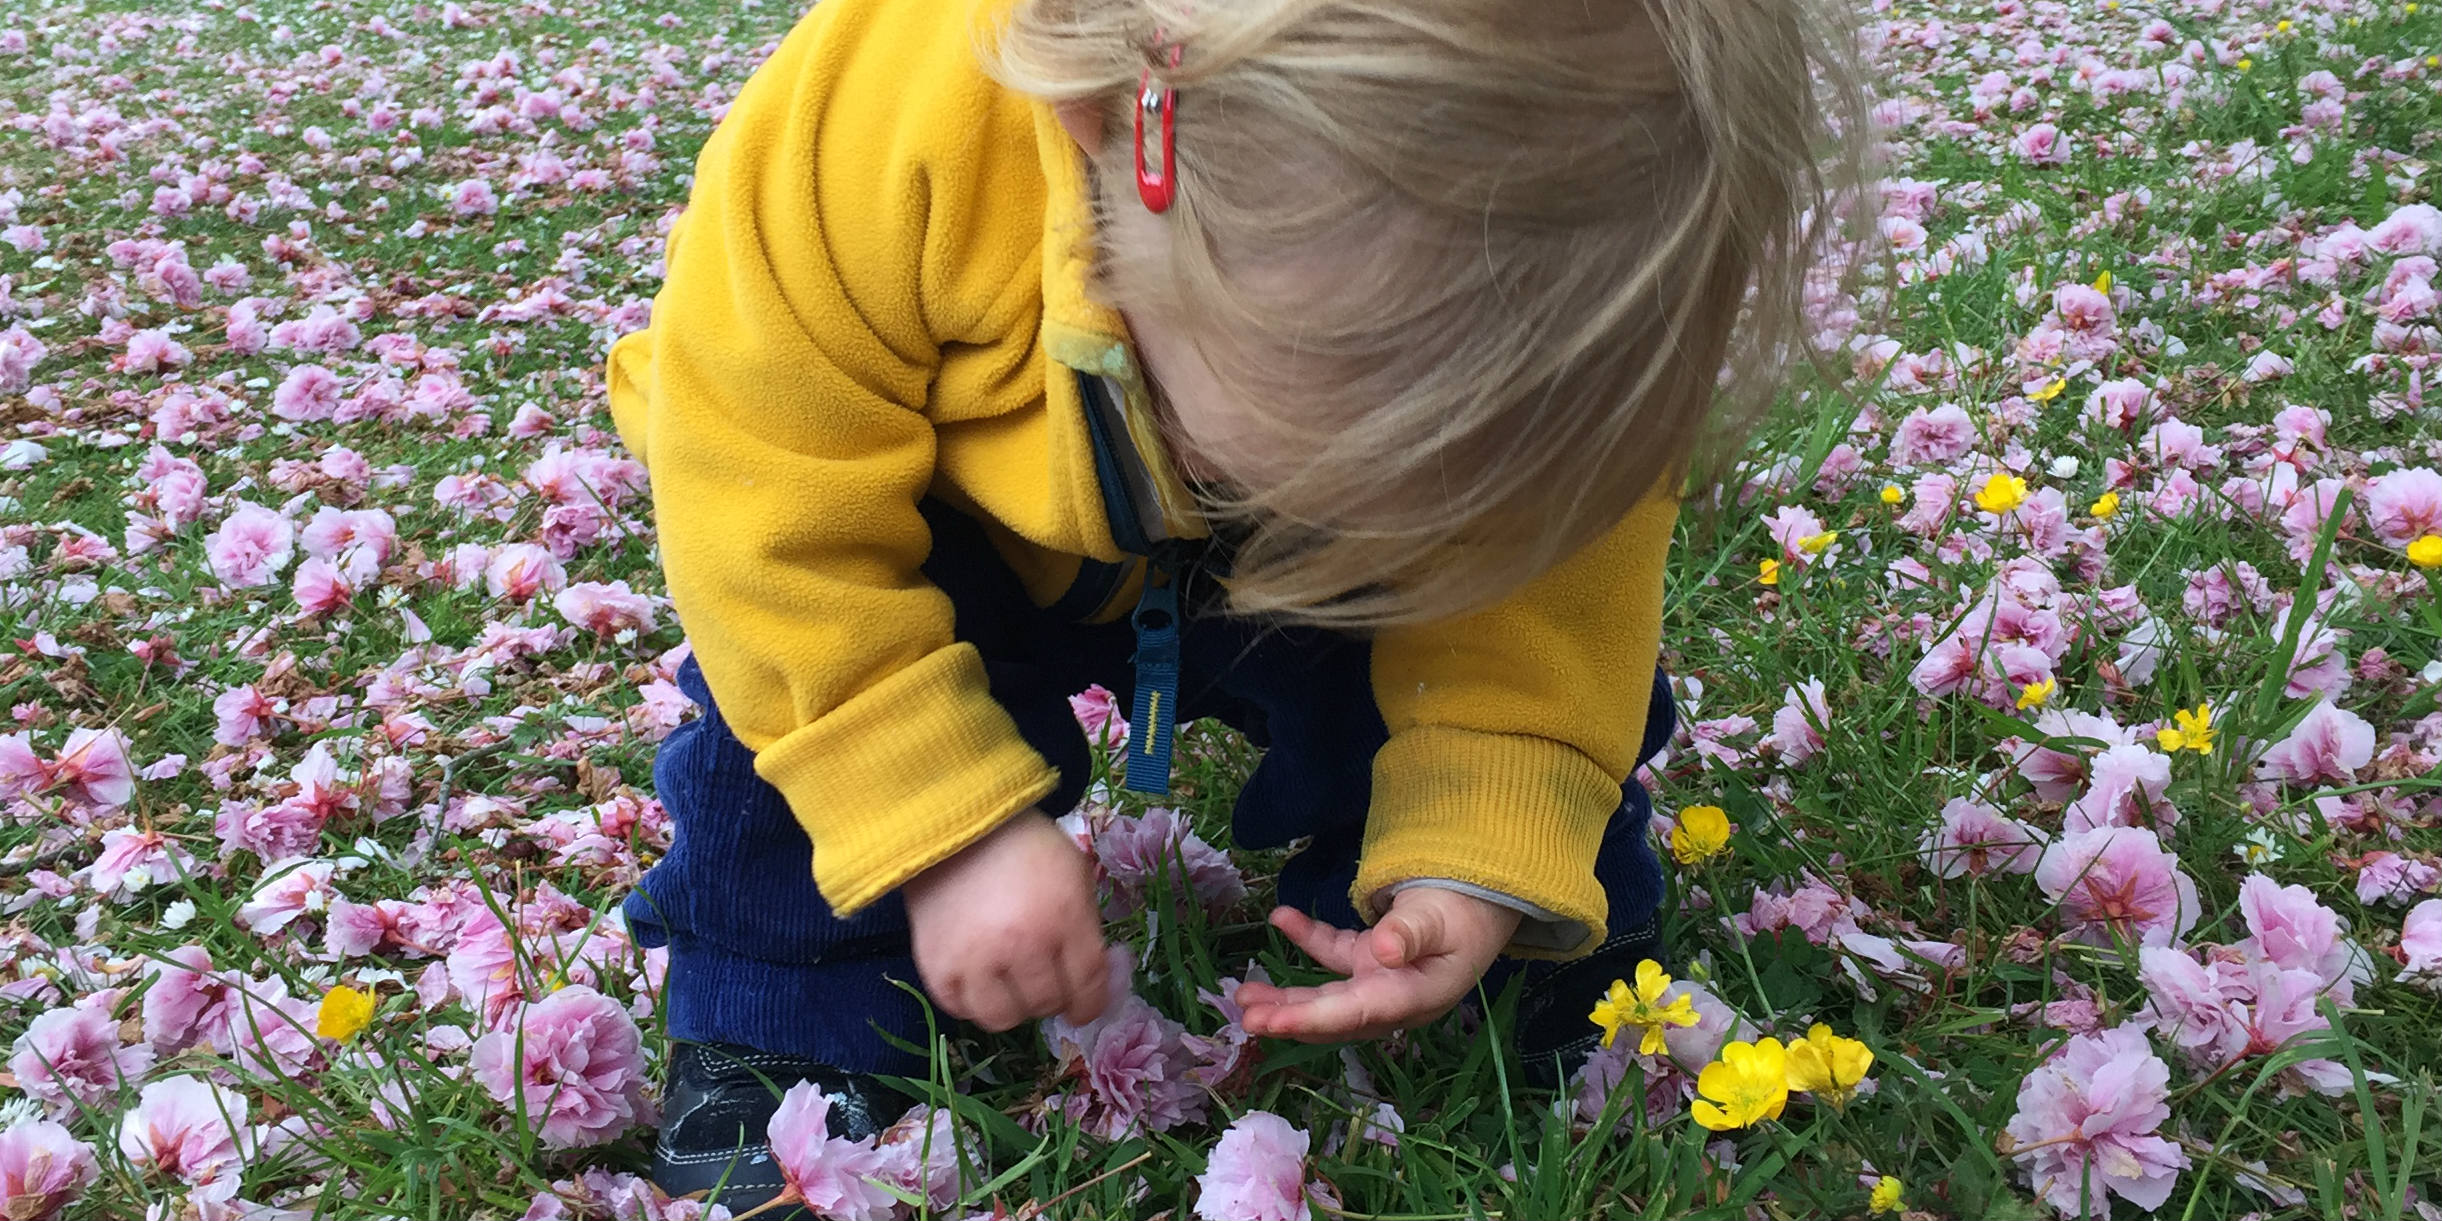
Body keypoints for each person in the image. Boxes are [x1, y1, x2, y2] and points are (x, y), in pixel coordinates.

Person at [605, 0, 1861, 1207]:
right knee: (788, 719)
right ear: (1116, 127)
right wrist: (937, 820)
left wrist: (1481, 853)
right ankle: (782, 1017)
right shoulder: (880, 114)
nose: (1430, 506)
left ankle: (1508, 944)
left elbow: (1546, 597)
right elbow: (768, 502)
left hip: (1249, 526)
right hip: (930, 512)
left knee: (1486, 664)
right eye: (1379, 458)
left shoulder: (1574, 299)